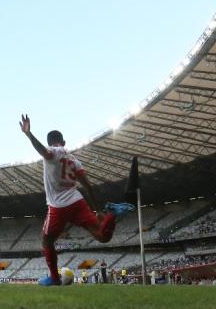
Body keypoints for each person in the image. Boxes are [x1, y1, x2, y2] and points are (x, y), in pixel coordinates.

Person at [19, 114, 135, 286]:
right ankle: (111, 215)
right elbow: (88, 186)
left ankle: (54, 278)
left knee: (46, 241)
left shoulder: (54, 152)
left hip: (58, 206)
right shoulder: (75, 160)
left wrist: (28, 134)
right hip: (77, 201)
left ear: (51, 142)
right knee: (103, 237)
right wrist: (98, 211)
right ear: (64, 142)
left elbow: (43, 151)